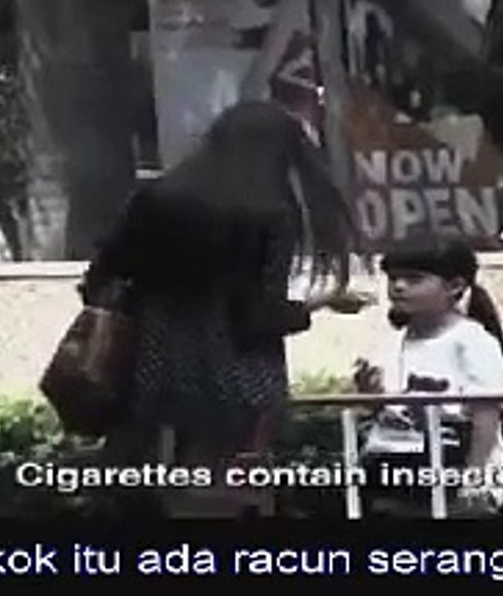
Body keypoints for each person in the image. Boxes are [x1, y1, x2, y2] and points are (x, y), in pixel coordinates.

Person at [81, 100, 371, 515]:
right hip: (233, 390)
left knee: (146, 495)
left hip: (148, 378)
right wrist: (320, 303)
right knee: (226, 498)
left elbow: (100, 278)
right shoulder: (270, 215)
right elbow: (257, 317)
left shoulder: (155, 199)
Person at [352, 237, 503, 517]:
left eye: (413, 279)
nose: (399, 286)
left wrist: (474, 478)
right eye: (393, 278)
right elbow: (390, 411)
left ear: (455, 286)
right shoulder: (391, 341)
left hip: (454, 468)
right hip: (395, 469)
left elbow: (486, 415)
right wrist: (372, 395)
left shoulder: (472, 341)